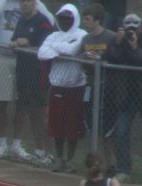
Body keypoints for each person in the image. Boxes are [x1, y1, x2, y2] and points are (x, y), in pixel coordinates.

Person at [0, 0, 53, 159]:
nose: (24, 4)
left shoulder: (36, 12)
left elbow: (50, 21)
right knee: (0, 101)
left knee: (23, 103)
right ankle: (1, 143)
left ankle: (17, 144)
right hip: (1, 56)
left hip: (25, 62)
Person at [38, 4, 87, 174]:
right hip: (57, 86)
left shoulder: (82, 35)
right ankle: (59, 158)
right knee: (57, 124)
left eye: (68, 19)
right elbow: (42, 53)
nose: (65, 22)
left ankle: (71, 159)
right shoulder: (53, 35)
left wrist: (57, 48)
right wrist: (63, 49)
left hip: (77, 86)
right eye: (62, 19)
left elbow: (74, 50)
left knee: (73, 125)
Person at [7, 0, 53, 164]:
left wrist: (29, 42)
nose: (24, 5)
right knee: (23, 108)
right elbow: (14, 39)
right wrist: (15, 43)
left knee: (38, 112)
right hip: (22, 71)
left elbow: (47, 44)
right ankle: (27, 147)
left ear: (34, 3)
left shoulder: (43, 22)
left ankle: (45, 151)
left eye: (28, 2)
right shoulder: (20, 20)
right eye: (22, 2)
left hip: (38, 73)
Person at [106, 13, 142, 182]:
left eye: (135, 27)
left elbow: (140, 60)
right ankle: (123, 169)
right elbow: (111, 57)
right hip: (126, 96)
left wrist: (135, 46)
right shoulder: (120, 42)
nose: (132, 31)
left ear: (141, 27)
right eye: (128, 28)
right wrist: (117, 42)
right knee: (121, 132)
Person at [80, 3, 117, 174]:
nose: (84, 22)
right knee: (90, 127)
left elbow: (116, 61)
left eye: (87, 19)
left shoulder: (110, 37)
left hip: (107, 88)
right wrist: (86, 59)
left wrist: (100, 61)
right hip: (90, 86)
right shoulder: (86, 39)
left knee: (107, 130)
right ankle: (95, 164)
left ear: (97, 20)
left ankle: (111, 164)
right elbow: (80, 60)